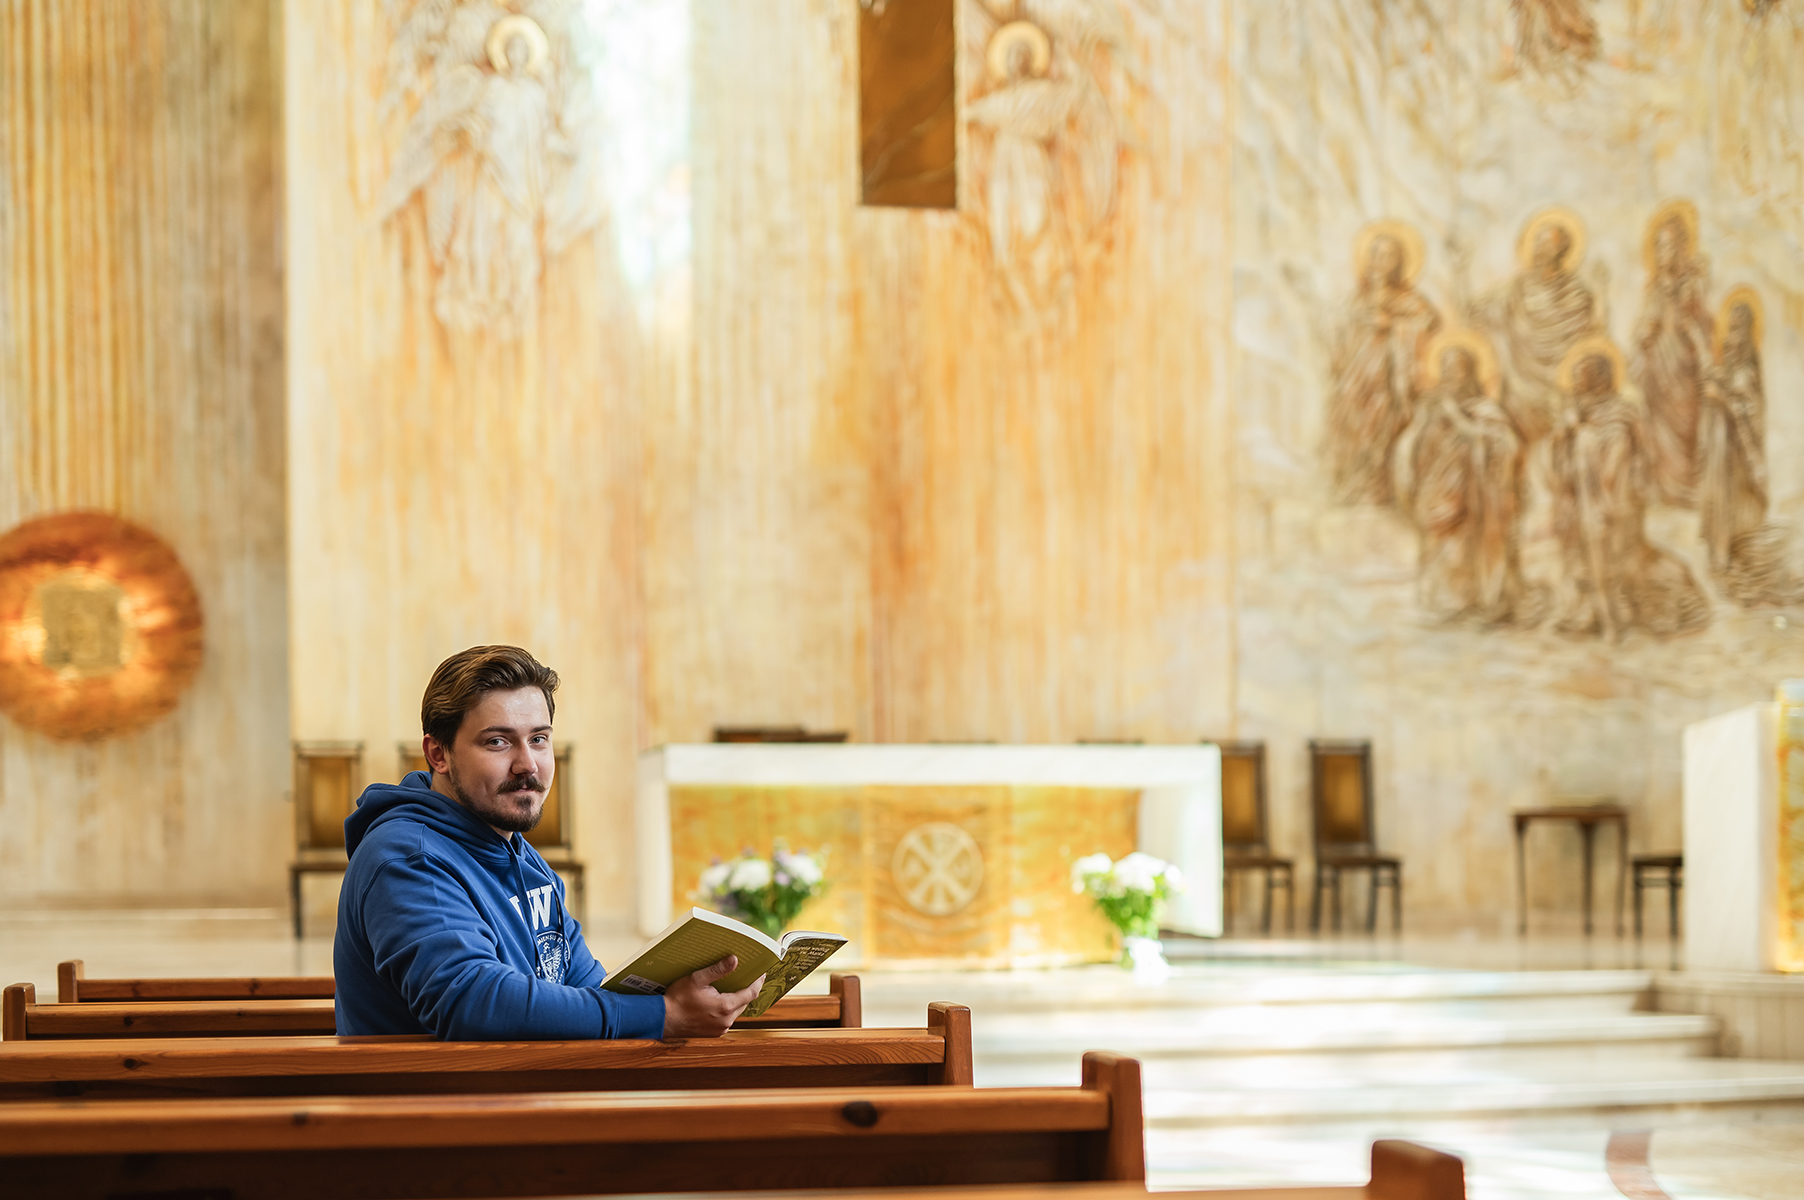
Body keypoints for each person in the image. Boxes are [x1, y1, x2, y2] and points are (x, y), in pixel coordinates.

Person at [334, 645, 762, 1039]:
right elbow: (470, 1001)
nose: (527, 764)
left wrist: (684, 995)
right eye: (497, 742)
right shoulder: (408, 857)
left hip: (520, 1098)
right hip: (431, 1113)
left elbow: (584, 982)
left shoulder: (523, 857)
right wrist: (660, 1017)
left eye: (538, 739)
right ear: (438, 754)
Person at [1547, 345, 1709, 641]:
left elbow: (1637, 456)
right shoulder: (1576, 415)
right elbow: (1560, 457)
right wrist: (1568, 431)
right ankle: (1602, 618)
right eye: (1578, 378)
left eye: (1585, 377)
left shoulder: (1622, 412)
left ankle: (1620, 618)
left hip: (1615, 502)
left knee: (1618, 562)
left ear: (1602, 378)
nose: (1579, 384)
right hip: (1584, 502)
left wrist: (1587, 435)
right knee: (1590, 562)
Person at [1393, 335, 1524, 624]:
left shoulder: (1486, 409)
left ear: (1471, 371)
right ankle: (1445, 600)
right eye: (1447, 367)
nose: (1453, 374)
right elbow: (1413, 447)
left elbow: (1505, 445)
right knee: (1443, 548)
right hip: (1440, 493)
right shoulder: (1432, 407)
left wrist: (1461, 424)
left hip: (1477, 498)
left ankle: (1479, 601)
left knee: (1469, 550)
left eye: (1459, 368)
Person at [1327, 226, 1442, 506]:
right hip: (1354, 382)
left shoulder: (1412, 301)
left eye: (1388, 256)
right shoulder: (1356, 300)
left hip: (1390, 383)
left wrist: (1393, 326)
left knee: (1382, 432)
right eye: (1376, 254)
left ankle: (1380, 488)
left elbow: (1429, 325)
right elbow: (1337, 338)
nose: (1380, 261)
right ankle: (1353, 484)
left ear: (1400, 263)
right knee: (1352, 428)